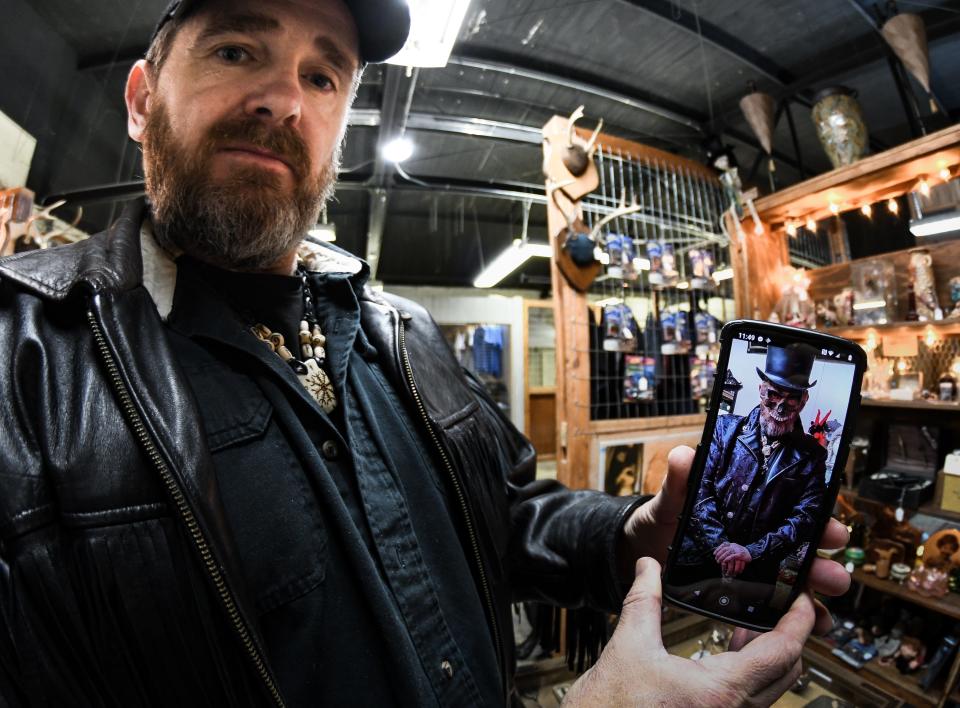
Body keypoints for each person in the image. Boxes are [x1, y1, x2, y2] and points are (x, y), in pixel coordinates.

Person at [0, 2, 850, 705]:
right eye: (235, 49)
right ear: (143, 99)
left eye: (322, 74)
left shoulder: (398, 329)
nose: (282, 99)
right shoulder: (23, 357)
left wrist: (631, 538)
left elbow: (509, 513)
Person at [676, 343, 828, 589]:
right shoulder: (724, 428)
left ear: (803, 401)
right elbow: (699, 491)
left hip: (756, 575)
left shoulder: (813, 456)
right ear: (761, 390)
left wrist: (751, 552)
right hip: (697, 559)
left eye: (791, 398)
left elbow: (805, 517)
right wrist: (720, 547)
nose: (780, 407)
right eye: (774, 394)